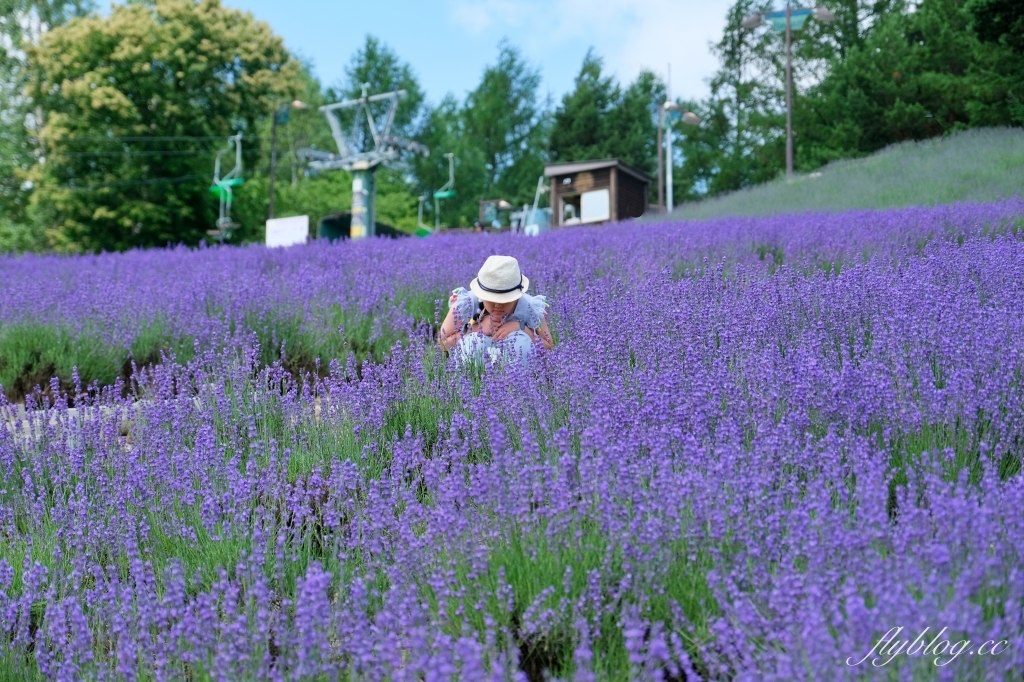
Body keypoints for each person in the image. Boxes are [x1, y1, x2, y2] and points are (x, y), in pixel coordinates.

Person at [438, 255, 554, 366]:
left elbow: (548, 347)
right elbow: (443, 343)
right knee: (474, 343)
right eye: (491, 299)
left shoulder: (530, 306)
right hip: (474, 378)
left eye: (505, 300)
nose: (498, 305)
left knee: (521, 343)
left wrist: (522, 329)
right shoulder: (467, 303)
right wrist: (477, 329)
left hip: (517, 377)